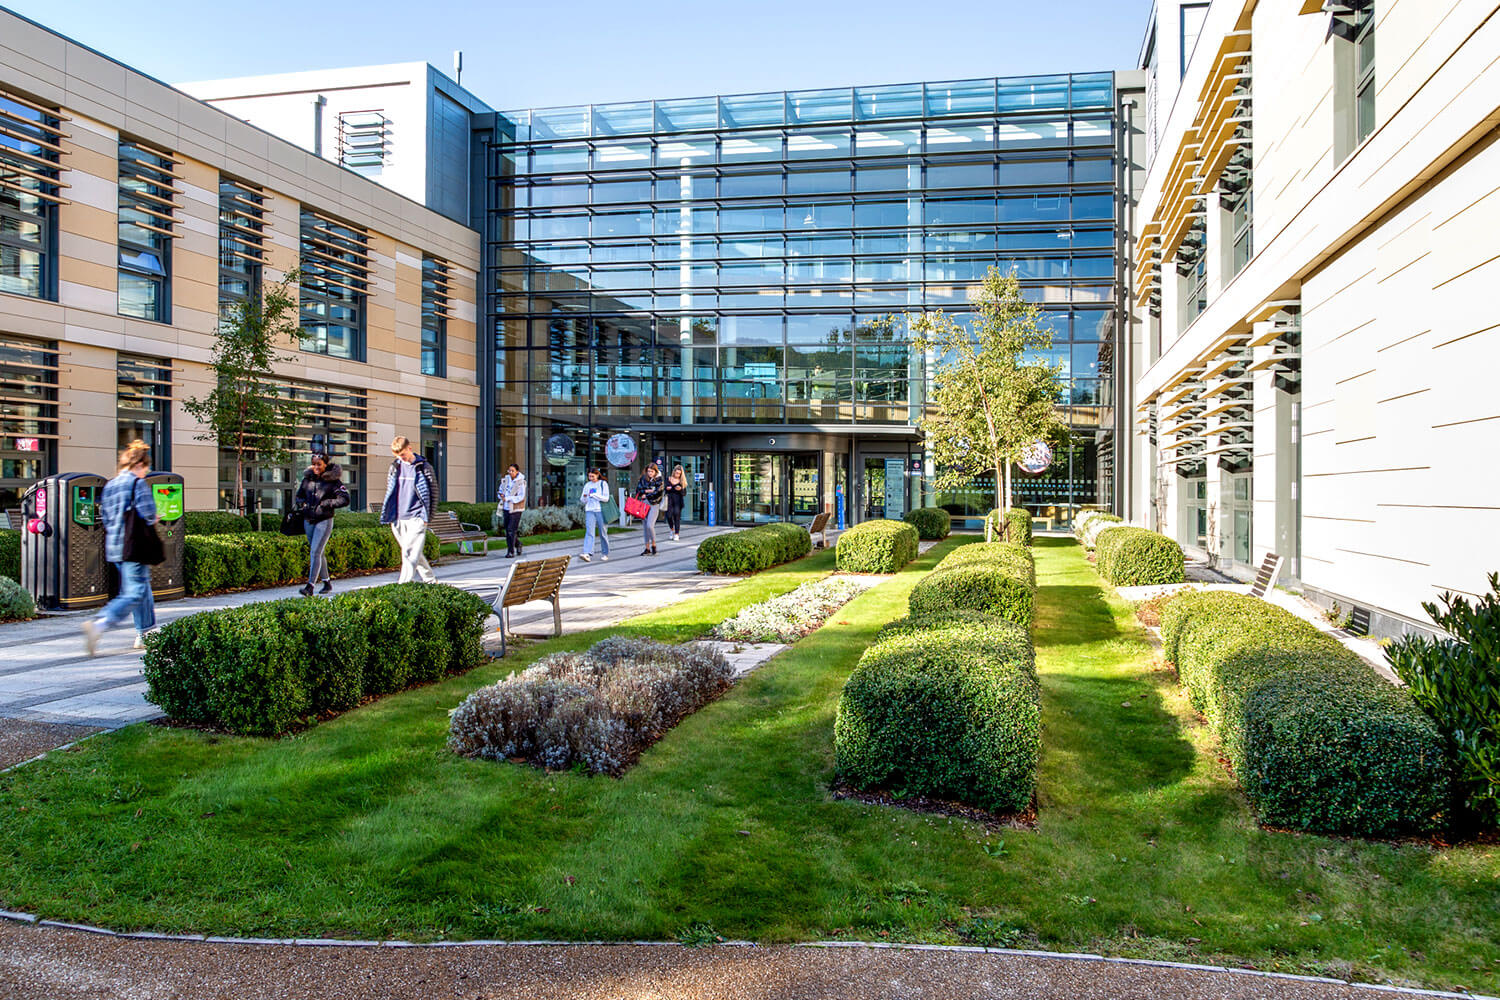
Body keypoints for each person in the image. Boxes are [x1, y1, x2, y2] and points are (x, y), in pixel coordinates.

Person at [81, 440, 157, 656]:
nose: (147, 471)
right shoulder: (137, 484)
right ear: (139, 464)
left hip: (114, 548)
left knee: (141, 588)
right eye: (146, 466)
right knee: (134, 592)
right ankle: (100, 623)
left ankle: (146, 633)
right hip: (134, 546)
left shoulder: (110, 485)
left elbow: (105, 518)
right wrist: (155, 517)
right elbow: (148, 514)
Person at [379, 435, 438, 584]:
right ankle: (431, 581)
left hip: (417, 516)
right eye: (398, 456)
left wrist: (427, 518)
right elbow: (390, 491)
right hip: (398, 517)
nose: (401, 458)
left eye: (403, 455)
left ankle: (403, 584)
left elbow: (433, 493)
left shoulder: (424, 467)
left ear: (409, 448)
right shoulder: (395, 467)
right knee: (413, 552)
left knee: (409, 553)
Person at [293, 452, 349, 596]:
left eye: (319, 464)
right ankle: (327, 583)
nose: (316, 467)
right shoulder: (307, 479)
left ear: (325, 464)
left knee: (315, 552)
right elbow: (299, 495)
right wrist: (302, 504)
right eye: (314, 464)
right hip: (308, 520)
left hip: (324, 521)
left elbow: (344, 499)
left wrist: (327, 503)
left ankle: (310, 586)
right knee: (318, 552)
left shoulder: (334, 481)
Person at [579, 467, 611, 563]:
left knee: (603, 532)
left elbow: (606, 498)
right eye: (589, 476)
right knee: (589, 532)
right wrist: (585, 497)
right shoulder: (587, 485)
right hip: (590, 510)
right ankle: (587, 553)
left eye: (592, 476)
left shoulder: (603, 484)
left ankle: (605, 553)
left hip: (600, 510)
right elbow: (582, 499)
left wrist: (595, 495)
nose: (591, 478)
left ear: (597, 475)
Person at [633, 462, 665, 557]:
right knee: (645, 527)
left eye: (651, 471)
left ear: (656, 471)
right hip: (644, 504)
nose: (649, 473)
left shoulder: (659, 480)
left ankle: (654, 545)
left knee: (650, 525)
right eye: (648, 471)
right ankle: (647, 548)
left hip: (654, 504)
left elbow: (658, 492)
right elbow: (638, 490)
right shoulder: (643, 478)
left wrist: (646, 494)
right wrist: (648, 491)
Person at [499, 463, 527, 557]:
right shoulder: (505, 480)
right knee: (508, 530)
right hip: (506, 508)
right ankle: (518, 544)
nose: (510, 472)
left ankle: (510, 552)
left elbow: (521, 496)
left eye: (512, 471)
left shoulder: (520, 482)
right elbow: (500, 490)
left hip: (516, 509)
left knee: (511, 529)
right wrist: (501, 495)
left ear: (517, 472)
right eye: (509, 470)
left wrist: (508, 498)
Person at [664, 464, 687, 542]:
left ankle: (676, 534)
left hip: (678, 501)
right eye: (676, 473)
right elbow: (665, 489)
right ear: (673, 472)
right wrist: (667, 488)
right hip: (669, 500)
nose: (677, 474)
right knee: (669, 515)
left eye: (679, 473)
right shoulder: (668, 479)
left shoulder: (682, 481)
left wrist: (680, 489)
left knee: (677, 517)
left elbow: (684, 493)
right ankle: (672, 528)